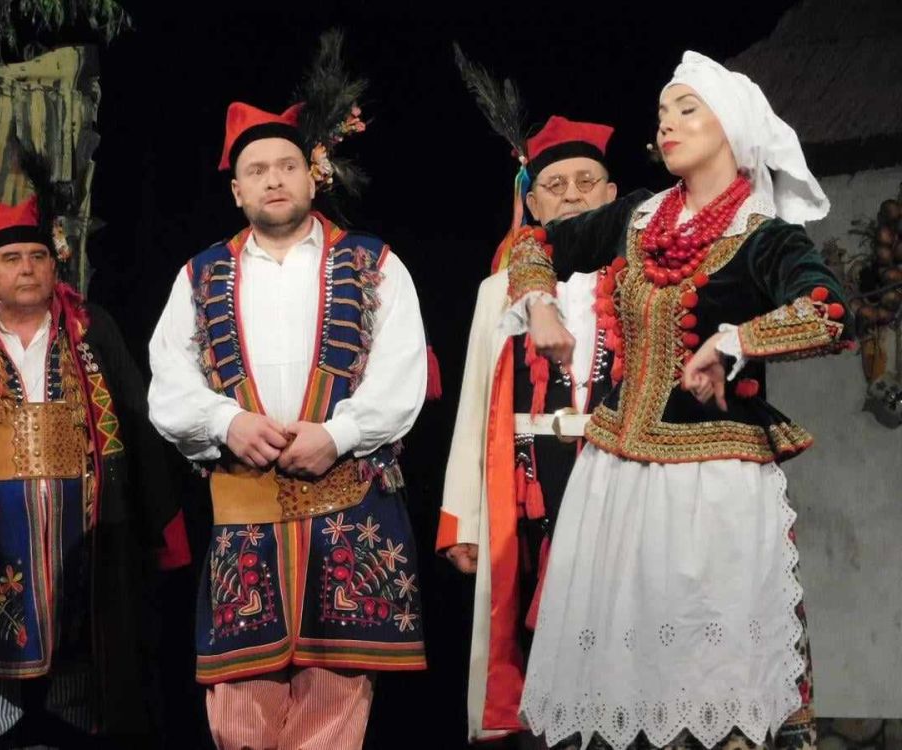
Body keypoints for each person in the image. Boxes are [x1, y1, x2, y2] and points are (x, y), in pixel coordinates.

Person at [505, 51, 852, 750]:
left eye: (686, 110)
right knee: (618, 680)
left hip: (714, 483)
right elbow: (534, 245)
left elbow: (828, 312)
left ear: (730, 126)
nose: (666, 124)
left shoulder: (764, 237)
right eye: (662, 113)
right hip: (616, 476)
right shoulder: (636, 218)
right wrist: (540, 307)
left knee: (711, 670)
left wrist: (733, 341)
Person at [147, 32, 428, 750]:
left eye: (286, 166)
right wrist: (225, 423)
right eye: (256, 170)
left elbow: (402, 373)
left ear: (313, 176)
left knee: (335, 712)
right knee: (239, 713)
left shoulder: (373, 263)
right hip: (246, 510)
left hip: (347, 511)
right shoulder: (201, 274)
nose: (273, 180)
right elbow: (169, 382)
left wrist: (338, 434)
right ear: (236, 190)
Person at [0, 172, 190, 748]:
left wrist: (164, 526)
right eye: (11, 259)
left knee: (85, 653)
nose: (27, 269)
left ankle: (73, 718)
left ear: (55, 265)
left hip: (81, 533)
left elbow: (137, 423)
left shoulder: (92, 331)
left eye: (38, 256)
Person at [438, 107, 620, 744]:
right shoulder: (500, 291)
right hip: (532, 481)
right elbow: (473, 404)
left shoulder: (643, 280)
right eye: (555, 185)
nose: (572, 195)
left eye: (586, 182)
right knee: (536, 646)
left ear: (613, 195)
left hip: (621, 475)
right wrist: (462, 518)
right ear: (533, 203)